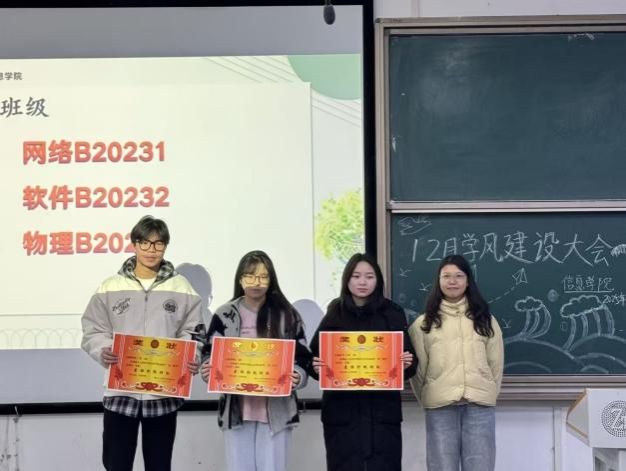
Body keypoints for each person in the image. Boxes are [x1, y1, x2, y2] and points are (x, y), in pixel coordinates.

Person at [81, 215, 203, 471]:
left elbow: (194, 331)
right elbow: (93, 329)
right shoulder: (110, 286)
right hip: (120, 393)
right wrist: (103, 349)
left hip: (163, 394)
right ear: (134, 244)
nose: (151, 250)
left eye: (158, 244)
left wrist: (190, 355)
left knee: (159, 465)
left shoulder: (182, 287)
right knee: (116, 464)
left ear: (165, 246)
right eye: (145, 243)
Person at [200, 250, 311, 471]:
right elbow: (209, 354)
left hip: (277, 413)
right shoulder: (224, 314)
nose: (256, 282)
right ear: (240, 279)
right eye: (250, 276)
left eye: (263, 276)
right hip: (236, 411)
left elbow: (303, 358)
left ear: (271, 280)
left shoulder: (287, 315)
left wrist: (298, 375)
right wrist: (207, 370)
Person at [309, 252, 416, 471]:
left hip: (382, 412)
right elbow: (314, 357)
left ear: (378, 280)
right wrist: (316, 366)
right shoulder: (335, 312)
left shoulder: (393, 313)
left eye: (369, 276)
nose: (362, 282)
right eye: (356, 276)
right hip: (342, 413)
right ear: (347, 279)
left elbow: (411, 362)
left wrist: (406, 364)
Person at [408, 254, 504, 471]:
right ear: (439, 281)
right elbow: (418, 372)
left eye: (459, 276)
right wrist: (430, 396)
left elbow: (496, 365)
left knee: (481, 466)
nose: (452, 281)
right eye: (446, 276)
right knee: (441, 467)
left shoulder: (486, 320)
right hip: (440, 407)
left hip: (479, 406)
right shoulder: (423, 324)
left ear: (468, 281)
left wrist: (487, 392)